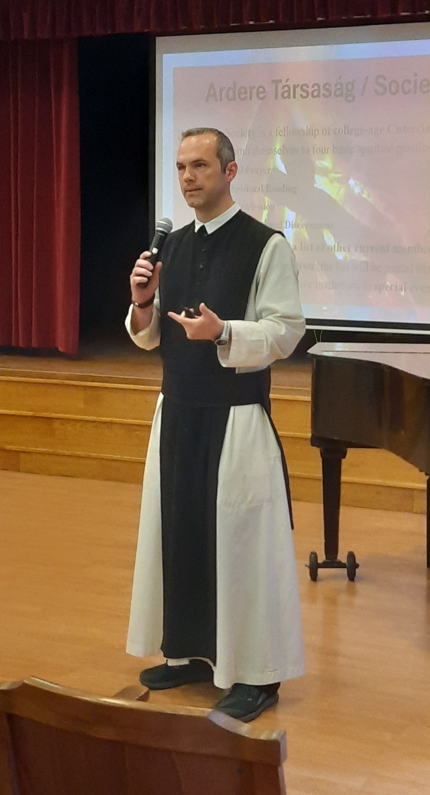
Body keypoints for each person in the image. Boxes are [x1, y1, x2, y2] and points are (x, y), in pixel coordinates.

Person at [125, 127, 305, 722]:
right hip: (176, 412)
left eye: (200, 165)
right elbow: (148, 335)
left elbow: (286, 329)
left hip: (236, 417)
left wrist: (224, 331)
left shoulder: (266, 245)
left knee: (242, 545)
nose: (188, 177)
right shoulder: (170, 247)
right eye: (181, 167)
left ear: (230, 171)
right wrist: (143, 301)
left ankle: (257, 675)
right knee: (180, 532)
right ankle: (187, 653)